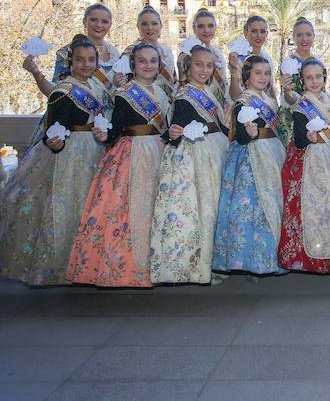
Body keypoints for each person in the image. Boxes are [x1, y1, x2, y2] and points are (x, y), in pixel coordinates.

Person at [0, 36, 106, 285]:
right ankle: (65, 264)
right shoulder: (63, 91)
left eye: (91, 60)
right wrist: (53, 143)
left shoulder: (97, 87)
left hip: (93, 149)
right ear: (71, 62)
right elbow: (54, 128)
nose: (86, 64)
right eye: (80, 60)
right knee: (66, 205)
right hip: (71, 154)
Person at [67, 44, 169, 287]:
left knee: (156, 208)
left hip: (158, 150)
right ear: (133, 65)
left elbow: (165, 126)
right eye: (142, 61)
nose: (148, 65)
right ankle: (129, 269)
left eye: (153, 61)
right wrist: (106, 137)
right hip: (130, 153)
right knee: (128, 208)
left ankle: (157, 265)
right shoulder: (123, 93)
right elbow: (116, 126)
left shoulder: (163, 93)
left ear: (159, 65)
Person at [149, 45, 229, 284]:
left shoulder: (209, 91)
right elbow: (174, 130)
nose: (204, 70)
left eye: (209, 65)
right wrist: (173, 133)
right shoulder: (183, 95)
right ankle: (198, 266)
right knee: (201, 209)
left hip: (215, 149)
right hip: (194, 157)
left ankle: (214, 262)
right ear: (188, 66)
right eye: (199, 64)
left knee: (214, 208)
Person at [213, 55, 287, 275]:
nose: (263, 77)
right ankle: (251, 260)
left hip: (272, 151)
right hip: (252, 157)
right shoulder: (243, 100)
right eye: (257, 73)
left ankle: (270, 256)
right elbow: (240, 136)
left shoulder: (268, 98)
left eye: (266, 73)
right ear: (247, 76)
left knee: (272, 205)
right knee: (253, 208)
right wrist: (249, 133)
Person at [22, 4, 120, 148]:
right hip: (75, 124)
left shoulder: (115, 53)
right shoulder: (67, 52)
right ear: (84, 21)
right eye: (94, 20)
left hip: (105, 124)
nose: (99, 25)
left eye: (104, 21)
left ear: (110, 25)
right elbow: (56, 92)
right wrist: (36, 74)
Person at [278, 59, 330, 274]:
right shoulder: (301, 105)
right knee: (312, 206)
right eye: (309, 78)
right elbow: (298, 139)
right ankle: (310, 256)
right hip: (311, 160)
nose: (314, 81)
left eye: (318, 76)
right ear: (302, 81)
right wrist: (308, 137)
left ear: (324, 78)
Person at [277, 17, 318, 144]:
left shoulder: (317, 61)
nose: (304, 39)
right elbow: (289, 97)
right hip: (295, 120)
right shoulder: (289, 64)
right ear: (293, 37)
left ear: (313, 36)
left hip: (316, 116)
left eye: (308, 34)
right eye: (299, 35)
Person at [178, 8, 228, 108]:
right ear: (194, 28)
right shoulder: (187, 54)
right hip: (197, 106)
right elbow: (184, 84)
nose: (206, 30)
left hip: (219, 105)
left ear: (215, 27)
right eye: (201, 26)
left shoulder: (217, 52)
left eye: (210, 26)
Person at [122, 6, 176, 97]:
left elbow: (173, 80)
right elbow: (126, 83)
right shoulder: (131, 51)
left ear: (161, 25)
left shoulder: (167, 50)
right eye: (144, 24)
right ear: (138, 27)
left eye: (154, 23)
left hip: (167, 103)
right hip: (143, 101)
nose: (150, 28)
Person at [228, 15, 274, 102]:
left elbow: (270, 89)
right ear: (246, 33)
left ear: (267, 34)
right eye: (254, 31)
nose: (258, 35)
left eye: (262, 31)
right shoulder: (238, 58)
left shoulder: (267, 58)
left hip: (265, 109)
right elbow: (234, 95)